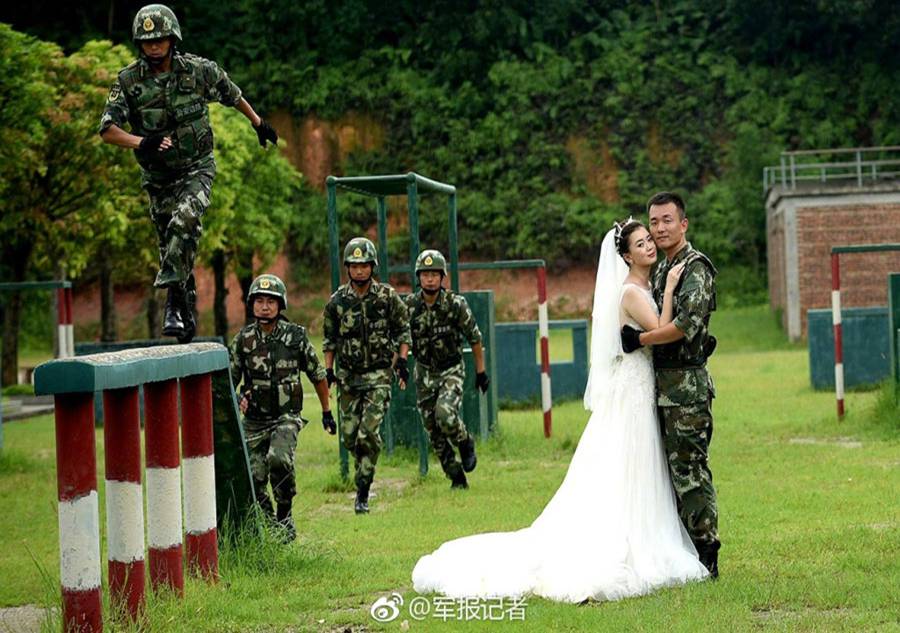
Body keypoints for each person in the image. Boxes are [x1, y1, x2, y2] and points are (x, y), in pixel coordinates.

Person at [411, 220, 708, 602]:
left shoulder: (643, 286)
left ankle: (645, 527)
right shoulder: (632, 292)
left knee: (638, 463)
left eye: (649, 240)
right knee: (630, 462)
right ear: (625, 255)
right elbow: (663, 329)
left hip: (641, 385)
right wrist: (668, 291)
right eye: (640, 243)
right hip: (632, 390)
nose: (649, 246)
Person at [98, 4, 278, 343]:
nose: (154, 47)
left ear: (173, 39)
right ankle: (183, 299)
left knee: (186, 218)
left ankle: (172, 300)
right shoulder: (128, 82)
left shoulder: (198, 71)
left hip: (197, 167)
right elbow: (107, 130)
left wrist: (258, 123)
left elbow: (232, 93)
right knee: (171, 243)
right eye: (147, 42)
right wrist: (142, 142)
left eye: (160, 40)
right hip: (158, 178)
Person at [620, 191, 721, 577]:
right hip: (659, 388)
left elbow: (683, 326)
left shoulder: (695, 268)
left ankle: (707, 551)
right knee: (665, 475)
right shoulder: (663, 270)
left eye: (667, 220)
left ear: (683, 224)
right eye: (654, 222)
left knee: (689, 471)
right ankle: (681, 551)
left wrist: (640, 339)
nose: (660, 228)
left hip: (686, 390)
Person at [229, 274, 335, 541]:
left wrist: (326, 412)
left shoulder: (296, 337)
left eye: (271, 302)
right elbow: (229, 381)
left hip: (286, 417)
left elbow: (318, 375)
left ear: (280, 305)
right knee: (252, 477)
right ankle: (270, 525)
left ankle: (285, 514)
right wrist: (238, 397)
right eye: (260, 301)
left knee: (279, 459)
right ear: (252, 304)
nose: (265, 307)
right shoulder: (243, 340)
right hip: (254, 420)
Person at [323, 237, 411, 514]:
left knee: (368, 433)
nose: (359, 271)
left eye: (364, 265)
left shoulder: (387, 297)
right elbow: (329, 340)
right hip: (348, 377)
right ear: (347, 268)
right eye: (354, 266)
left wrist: (402, 361)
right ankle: (364, 465)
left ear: (373, 266)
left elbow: (403, 330)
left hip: (378, 375)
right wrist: (328, 371)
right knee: (350, 437)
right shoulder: (337, 302)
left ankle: (362, 491)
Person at [405, 249, 489, 490]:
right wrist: (398, 365)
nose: (430, 279)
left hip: (451, 369)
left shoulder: (455, 304)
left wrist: (481, 372)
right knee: (434, 431)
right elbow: (401, 338)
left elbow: (475, 338)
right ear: (418, 277)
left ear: (442, 277)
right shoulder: (410, 306)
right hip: (423, 373)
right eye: (425, 274)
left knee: (445, 413)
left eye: (434, 274)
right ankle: (456, 477)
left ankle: (465, 441)